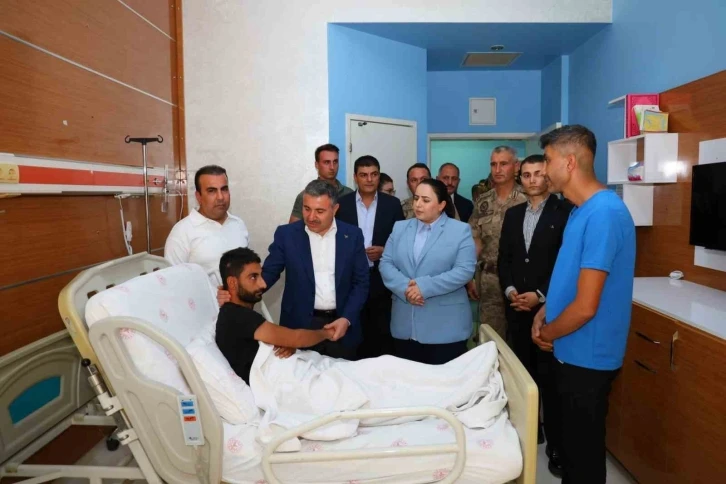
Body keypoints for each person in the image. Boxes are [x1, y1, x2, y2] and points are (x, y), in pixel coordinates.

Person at [532, 125, 635, 484]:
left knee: (583, 459)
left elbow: (587, 306)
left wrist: (547, 333)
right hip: (570, 349)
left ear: (570, 162)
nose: (544, 170)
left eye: (548, 160)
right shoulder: (579, 211)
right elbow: (569, 277)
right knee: (571, 451)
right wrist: (545, 311)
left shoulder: (604, 213)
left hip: (588, 356)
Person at [497, 154, 572, 477]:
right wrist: (511, 290)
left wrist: (540, 295)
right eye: (526, 175)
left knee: (551, 381)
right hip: (517, 308)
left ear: (548, 176)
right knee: (521, 376)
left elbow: (566, 264)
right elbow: (504, 258)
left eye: (538, 173)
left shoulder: (566, 213)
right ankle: (530, 432)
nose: (531, 180)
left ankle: (556, 445)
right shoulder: (513, 214)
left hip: (550, 311)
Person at [263, 179, 369, 359]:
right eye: (307, 209)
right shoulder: (287, 235)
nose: (311, 217)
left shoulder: (352, 235)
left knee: (342, 375)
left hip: (341, 326)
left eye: (320, 211)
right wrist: (240, 293)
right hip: (299, 328)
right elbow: (268, 274)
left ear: (335, 209)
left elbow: (361, 282)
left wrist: (347, 319)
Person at [380, 179, 476, 365]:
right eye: (416, 198)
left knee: (444, 381)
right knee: (408, 380)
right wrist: (406, 289)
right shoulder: (400, 228)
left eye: (425, 200)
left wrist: (424, 287)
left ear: (441, 205)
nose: (418, 204)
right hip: (404, 326)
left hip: (446, 329)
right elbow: (386, 263)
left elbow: (464, 270)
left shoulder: (460, 230)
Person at [216, 248, 337, 384]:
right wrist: (327, 333)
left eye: (261, 276)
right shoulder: (236, 315)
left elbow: (286, 341)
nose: (263, 284)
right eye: (253, 277)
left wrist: (286, 344)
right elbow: (296, 338)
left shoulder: (235, 314)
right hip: (280, 383)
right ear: (232, 283)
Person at [337, 156, 405, 358]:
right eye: (363, 175)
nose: (369, 179)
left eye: (374, 174)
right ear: (355, 177)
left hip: (381, 279)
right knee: (352, 334)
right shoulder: (342, 204)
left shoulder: (392, 204)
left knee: (381, 334)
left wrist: (385, 251)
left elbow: (402, 242)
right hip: (350, 279)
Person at [467, 146, 527, 339]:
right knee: (490, 341)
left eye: (503, 164)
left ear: (516, 167)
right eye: (493, 164)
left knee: (520, 340)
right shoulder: (483, 202)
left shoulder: (527, 199)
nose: (498, 169)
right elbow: (475, 240)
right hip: (489, 281)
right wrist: (469, 277)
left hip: (520, 282)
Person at [164, 165, 249, 287]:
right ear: (198, 197)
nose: (220, 197)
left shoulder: (238, 225)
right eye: (211, 191)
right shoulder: (182, 232)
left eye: (224, 189)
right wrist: (213, 294)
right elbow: (172, 283)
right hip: (203, 300)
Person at [289, 144, 354, 223]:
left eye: (335, 162)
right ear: (317, 165)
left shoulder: (349, 194)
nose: (332, 167)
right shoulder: (305, 196)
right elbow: (293, 228)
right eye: (327, 162)